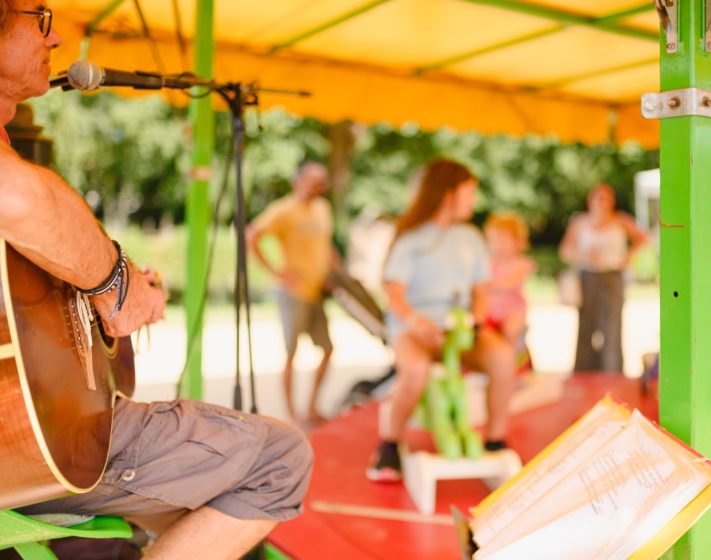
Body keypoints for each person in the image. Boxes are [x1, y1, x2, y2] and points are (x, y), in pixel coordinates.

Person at [0, 4, 312, 559]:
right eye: (38, 16)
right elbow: (17, 199)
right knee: (280, 459)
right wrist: (115, 286)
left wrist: (91, 298)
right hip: (15, 450)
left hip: (27, 447)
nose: (57, 36)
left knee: (186, 497)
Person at [367, 159, 516, 482]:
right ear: (448, 194)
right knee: (416, 370)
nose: (474, 201)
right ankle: (389, 444)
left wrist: (477, 316)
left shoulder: (470, 237)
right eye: (469, 193)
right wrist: (417, 322)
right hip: (415, 329)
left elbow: (480, 290)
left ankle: (495, 439)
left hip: (459, 328)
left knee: (504, 359)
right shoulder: (411, 239)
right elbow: (394, 295)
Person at [245, 162, 334, 423]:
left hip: (317, 291)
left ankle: (312, 406)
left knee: (328, 349)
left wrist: (335, 273)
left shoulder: (322, 209)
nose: (316, 185)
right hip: (294, 293)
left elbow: (325, 246)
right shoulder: (284, 210)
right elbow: (253, 234)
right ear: (298, 181)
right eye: (311, 179)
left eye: (321, 181)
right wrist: (276, 272)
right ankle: (292, 414)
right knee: (291, 354)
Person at [559, 183, 648, 373]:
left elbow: (643, 238)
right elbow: (565, 250)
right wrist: (583, 256)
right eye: (599, 197)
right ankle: (584, 369)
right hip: (588, 276)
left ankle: (612, 369)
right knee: (586, 324)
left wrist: (628, 256)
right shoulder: (580, 222)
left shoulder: (620, 220)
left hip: (612, 276)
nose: (602, 202)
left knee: (612, 324)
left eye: (607, 198)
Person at [484, 211, 536, 355]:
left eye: (502, 240)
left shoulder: (520, 264)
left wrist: (488, 286)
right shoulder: (488, 262)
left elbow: (509, 283)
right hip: (490, 309)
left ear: (517, 241)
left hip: (512, 310)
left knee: (510, 329)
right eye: (494, 240)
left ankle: (511, 357)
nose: (497, 245)